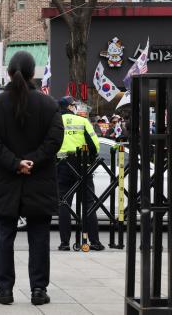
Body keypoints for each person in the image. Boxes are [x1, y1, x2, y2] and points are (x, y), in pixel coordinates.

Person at [0, 51, 64, 306]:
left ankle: (4, 290)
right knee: (39, 236)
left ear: (9, 73)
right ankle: (39, 290)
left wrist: (15, 163)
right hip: (40, 179)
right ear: (32, 73)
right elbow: (54, 141)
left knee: (4, 235)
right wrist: (33, 161)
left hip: (6, 180)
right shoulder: (49, 105)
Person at [56, 96, 104, 252]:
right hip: (81, 165)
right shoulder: (82, 121)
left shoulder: (54, 122)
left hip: (62, 165)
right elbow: (94, 145)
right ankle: (95, 242)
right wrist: (89, 160)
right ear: (70, 107)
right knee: (89, 203)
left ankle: (64, 243)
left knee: (64, 203)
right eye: (74, 105)